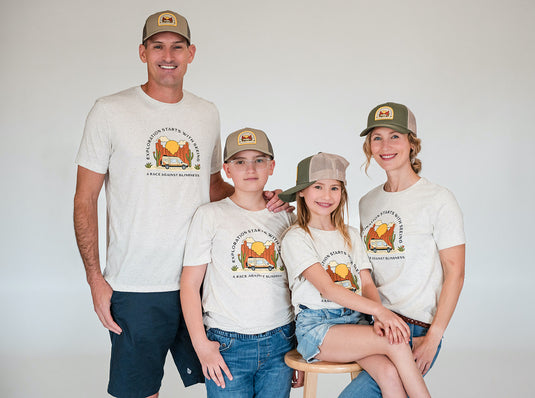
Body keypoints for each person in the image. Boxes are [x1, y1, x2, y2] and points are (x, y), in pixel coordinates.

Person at [73, 11, 286, 398]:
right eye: (158, 46)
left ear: (191, 53)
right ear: (142, 52)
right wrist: (94, 277)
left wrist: (263, 198)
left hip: (205, 278)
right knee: (140, 391)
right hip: (136, 283)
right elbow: (85, 198)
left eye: (177, 46)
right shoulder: (109, 110)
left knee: (228, 383)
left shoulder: (206, 113)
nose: (167, 55)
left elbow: (212, 187)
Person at [339, 102, 465, 397]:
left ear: (412, 143)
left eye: (395, 136)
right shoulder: (367, 202)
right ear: (369, 146)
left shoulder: (438, 199)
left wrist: (434, 336)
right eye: (377, 137)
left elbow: (456, 273)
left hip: (416, 331)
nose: (385, 145)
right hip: (374, 326)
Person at [279, 152, 431, 397]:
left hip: (355, 322)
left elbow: (367, 283)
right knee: (397, 342)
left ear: (342, 192)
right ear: (302, 192)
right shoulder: (297, 237)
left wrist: (379, 317)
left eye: (334, 188)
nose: (327, 196)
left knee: (389, 373)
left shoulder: (349, 234)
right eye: (317, 187)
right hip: (318, 328)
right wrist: (381, 312)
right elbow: (328, 289)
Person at [180, 127, 303, 397]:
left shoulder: (287, 218)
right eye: (240, 161)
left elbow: (300, 285)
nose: (250, 168)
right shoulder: (210, 216)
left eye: (259, 160)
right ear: (226, 169)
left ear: (271, 166)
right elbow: (189, 285)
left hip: (281, 341)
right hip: (227, 344)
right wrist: (201, 345)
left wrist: (300, 348)